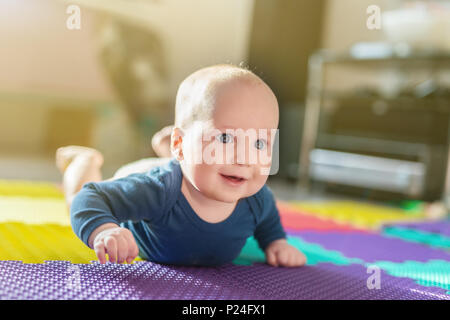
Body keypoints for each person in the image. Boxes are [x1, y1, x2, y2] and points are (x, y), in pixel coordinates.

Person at [56, 64, 307, 267]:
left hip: (190, 165)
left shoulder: (256, 198)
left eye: (260, 144)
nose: (244, 158)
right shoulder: (155, 190)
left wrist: (276, 242)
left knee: (199, 165)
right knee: (76, 198)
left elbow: (268, 219)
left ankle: (172, 149)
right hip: (141, 175)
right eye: (225, 138)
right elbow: (89, 198)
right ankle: (84, 160)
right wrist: (103, 230)